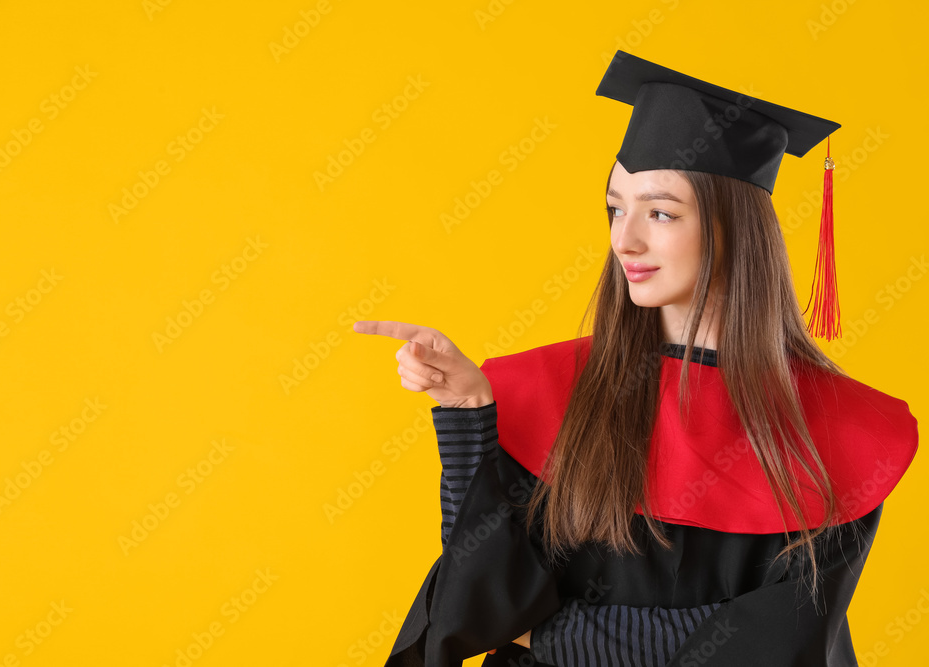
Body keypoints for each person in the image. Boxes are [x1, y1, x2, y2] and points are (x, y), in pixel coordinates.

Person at [353, 50, 919, 666]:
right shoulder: (542, 387)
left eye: (660, 212)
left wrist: (554, 637)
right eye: (615, 208)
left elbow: (780, 644)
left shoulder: (846, 432)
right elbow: (479, 602)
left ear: (734, 228)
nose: (625, 239)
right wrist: (468, 415)